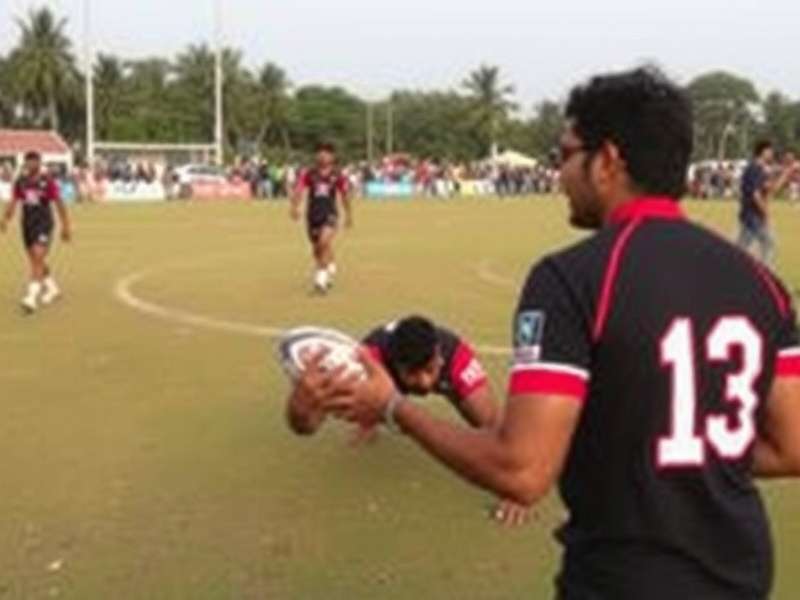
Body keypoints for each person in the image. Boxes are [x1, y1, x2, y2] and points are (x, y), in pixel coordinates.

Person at [292, 68, 800, 599]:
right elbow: (790, 448)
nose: (560, 174)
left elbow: (522, 471)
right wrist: (684, 448)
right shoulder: (763, 284)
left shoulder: (571, 278)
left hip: (623, 579)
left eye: (565, 155)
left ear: (607, 161)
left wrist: (395, 407)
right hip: (742, 574)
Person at [287, 316, 532, 526]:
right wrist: (299, 407)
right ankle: (372, 418)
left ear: (438, 358)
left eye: (430, 370)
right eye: (413, 374)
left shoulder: (456, 358)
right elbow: (306, 427)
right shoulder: (368, 362)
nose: (425, 382)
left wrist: (515, 491)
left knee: (486, 422)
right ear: (396, 366)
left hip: (445, 370)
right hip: (384, 376)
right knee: (370, 402)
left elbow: (497, 431)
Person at [0, 151, 72, 314]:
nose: (31, 164)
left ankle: (31, 298)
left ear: (40, 163)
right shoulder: (21, 182)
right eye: (29, 161)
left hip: (44, 224)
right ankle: (52, 288)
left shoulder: (47, 182)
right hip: (27, 224)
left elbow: (59, 203)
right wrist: (5, 219)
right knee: (35, 259)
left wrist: (66, 226)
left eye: (34, 161)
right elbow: (14, 201)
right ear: (25, 163)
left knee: (38, 257)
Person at [290, 143, 353, 293]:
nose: (322, 156)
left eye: (326, 153)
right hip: (313, 215)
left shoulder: (337, 175)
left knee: (324, 242)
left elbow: (345, 195)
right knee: (317, 249)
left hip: (330, 213)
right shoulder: (309, 174)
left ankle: (321, 281)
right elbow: (299, 190)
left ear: (332, 157)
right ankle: (328, 265)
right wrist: (294, 207)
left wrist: (349, 215)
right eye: (320, 153)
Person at [737, 140, 799, 266]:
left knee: (740, 249)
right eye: (770, 151)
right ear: (763, 152)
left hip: (750, 215)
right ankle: (765, 275)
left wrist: (787, 172)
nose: (772, 154)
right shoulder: (754, 168)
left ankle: (729, 268)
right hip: (753, 215)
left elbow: (773, 188)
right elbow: (755, 195)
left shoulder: (760, 170)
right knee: (769, 245)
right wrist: (765, 213)